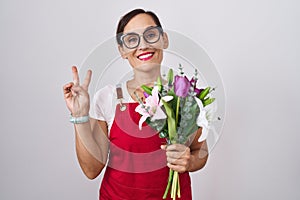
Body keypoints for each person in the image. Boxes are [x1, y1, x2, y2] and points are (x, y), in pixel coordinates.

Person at [63, 8, 208, 200]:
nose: (143, 45)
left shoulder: (184, 93)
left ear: (164, 39)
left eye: (150, 35)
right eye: (132, 40)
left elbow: (201, 152)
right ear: (122, 50)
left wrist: (188, 162)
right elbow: (91, 170)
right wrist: (80, 116)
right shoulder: (109, 98)